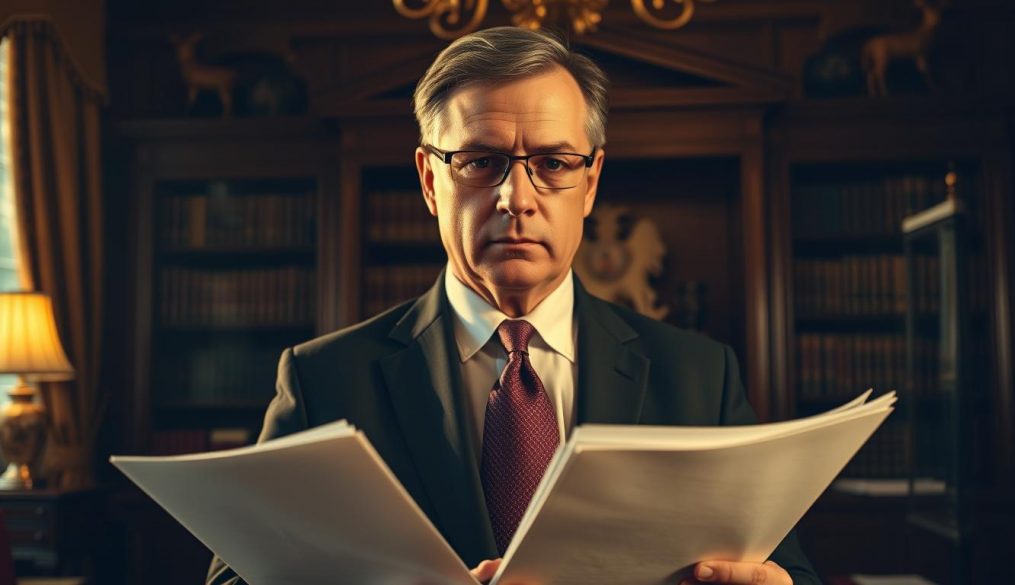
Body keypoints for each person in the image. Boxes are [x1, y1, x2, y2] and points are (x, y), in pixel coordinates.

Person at [207, 26, 821, 585]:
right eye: (482, 162)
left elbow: (787, 571)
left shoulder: (700, 377)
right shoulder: (324, 380)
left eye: (553, 164)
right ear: (429, 180)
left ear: (591, 182)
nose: (515, 199)